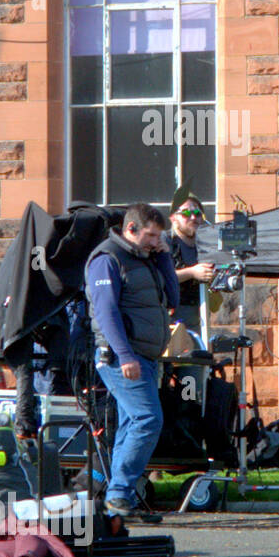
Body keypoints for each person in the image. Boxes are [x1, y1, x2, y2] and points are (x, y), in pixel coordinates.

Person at [85, 203, 179, 521]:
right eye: (151, 235)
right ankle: (118, 494)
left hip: (146, 356)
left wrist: (164, 255)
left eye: (159, 236)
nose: (155, 241)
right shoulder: (107, 259)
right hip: (121, 357)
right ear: (131, 230)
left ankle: (119, 501)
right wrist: (125, 355)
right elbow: (106, 312)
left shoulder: (148, 257)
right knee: (147, 420)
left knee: (131, 424)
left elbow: (174, 298)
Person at [165, 194, 214, 333]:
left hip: (200, 313)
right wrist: (192, 272)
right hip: (171, 316)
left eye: (197, 213)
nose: (193, 218)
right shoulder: (164, 242)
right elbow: (160, 277)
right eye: (186, 213)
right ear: (173, 217)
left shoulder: (205, 245)